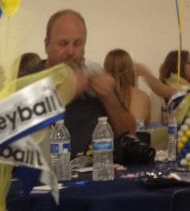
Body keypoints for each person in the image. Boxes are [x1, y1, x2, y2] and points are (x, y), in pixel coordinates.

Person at [42, 9, 135, 157]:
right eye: (63, 43)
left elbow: (130, 134)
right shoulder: (29, 80)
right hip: (46, 176)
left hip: (97, 171)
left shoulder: (96, 75)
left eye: (78, 43)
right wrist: (65, 94)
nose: (71, 51)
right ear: (47, 45)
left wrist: (109, 98)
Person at [103, 49, 151, 127]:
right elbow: (146, 127)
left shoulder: (100, 96)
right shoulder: (143, 96)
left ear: (105, 70)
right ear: (131, 70)